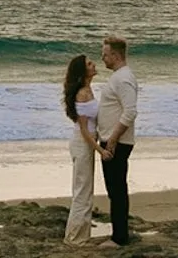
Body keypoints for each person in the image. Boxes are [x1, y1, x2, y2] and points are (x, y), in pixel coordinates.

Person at [95, 35, 138, 245]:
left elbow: (130, 112)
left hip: (117, 143)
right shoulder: (118, 77)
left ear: (115, 55)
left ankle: (119, 237)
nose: (102, 58)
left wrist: (112, 139)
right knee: (116, 189)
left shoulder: (124, 78)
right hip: (112, 140)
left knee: (117, 190)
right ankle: (120, 233)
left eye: (105, 54)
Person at [61, 54, 102, 243]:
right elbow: (85, 130)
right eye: (89, 64)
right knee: (82, 191)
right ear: (83, 71)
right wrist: (100, 149)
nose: (94, 65)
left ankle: (80, 235)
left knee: (85, 190)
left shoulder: (88, 89)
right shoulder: (82, 94)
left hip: (87, 143)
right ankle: (75, 238)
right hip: (83, 143)